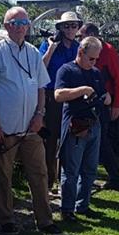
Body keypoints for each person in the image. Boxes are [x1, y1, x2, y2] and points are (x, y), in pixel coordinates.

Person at [0, 7, 60, 235]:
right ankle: (6, 219)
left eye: (24, 23)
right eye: (15, 23)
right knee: (3, 176)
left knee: (39, 172)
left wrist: (39, 115)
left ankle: (44, 220)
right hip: (4, 126)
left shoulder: (34, 52)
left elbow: (41, 87)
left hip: (31, 127)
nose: (21, 27)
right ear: (6, 26)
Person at [53, 37, 108, 221]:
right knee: (71, 170)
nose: (94, 62)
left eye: (96, 59)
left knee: (90, 169)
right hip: (75, 125)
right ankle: (67, 209)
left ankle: (82, 205)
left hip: (94, 124)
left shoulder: (96, 72)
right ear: (80, 52)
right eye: (91, 58)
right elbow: (58, 95)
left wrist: (106, 98)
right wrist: (82, 90)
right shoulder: (67, 70)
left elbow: (101, 94)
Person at [39, 11, 81, 191]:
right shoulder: (49, 45)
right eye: (66, 25)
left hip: (72, 97)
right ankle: (49, 181)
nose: (70, 29)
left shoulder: (79, 47)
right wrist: (51, 48)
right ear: (60, 28)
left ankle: (66, 181)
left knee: (70, 140)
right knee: (50, 139)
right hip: (52, 98)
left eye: (73, 25)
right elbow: (40, 68)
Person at [81, 22, 119, 191]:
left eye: (82, 35)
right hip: (88, 100)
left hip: (103, 102)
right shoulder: (84, 50)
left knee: (101, 142)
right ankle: (106, 177)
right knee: (96, 141)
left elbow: (118, 80)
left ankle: (115, 177)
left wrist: (116, 105)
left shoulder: (107, 50)